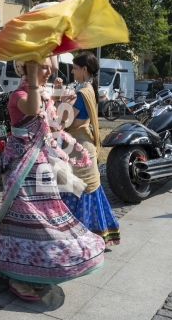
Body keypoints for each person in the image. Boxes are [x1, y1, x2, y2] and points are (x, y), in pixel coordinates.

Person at [0, 58, 105, 301]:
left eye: (50, 66)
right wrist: (35, 81)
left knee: (44, 217)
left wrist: (62, 104)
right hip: (21, 163)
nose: (49, 70)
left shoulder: (42, 94)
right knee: (26, 216)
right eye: (43, 66)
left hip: (41, 163)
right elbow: (31, 110)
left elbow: (55, 126)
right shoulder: (19, 93)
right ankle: (17, 275)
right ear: (27, 67)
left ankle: (34, 271)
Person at [57, 51, 120, 246]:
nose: (73, 72)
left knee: (76, 190)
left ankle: (80, 238)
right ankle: (98, 234)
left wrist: (60, 102)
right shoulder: (89, 88)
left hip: (78, 147)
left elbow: (63, 122)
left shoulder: (81, 93)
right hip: (84, 145)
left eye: (75, 68)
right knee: (89, 191)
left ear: (85, 69)